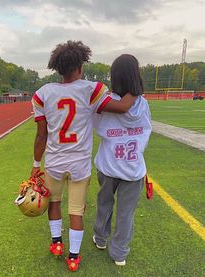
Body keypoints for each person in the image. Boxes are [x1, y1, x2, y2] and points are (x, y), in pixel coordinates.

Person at [30, 41, 137, 271]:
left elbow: (41, 137)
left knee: (55, 203)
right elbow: (123, 107)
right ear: (80, 66)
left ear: (58, 68)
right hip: (79, 164)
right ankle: (74, 257)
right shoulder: (90, 89)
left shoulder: (43, 94)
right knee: (76, 211)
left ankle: (57, 244)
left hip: (55, 162)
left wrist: (35, 165)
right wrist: (135, 85)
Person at [93, 54, 152, 266]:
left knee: (104, 204)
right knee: (126, 214)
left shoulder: (108, 102)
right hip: (133, 166)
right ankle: (119, 253)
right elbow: (146, 129)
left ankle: (100, 238)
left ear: (115, 76)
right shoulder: (143, 104)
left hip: (109, 165)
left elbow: (97, 124)